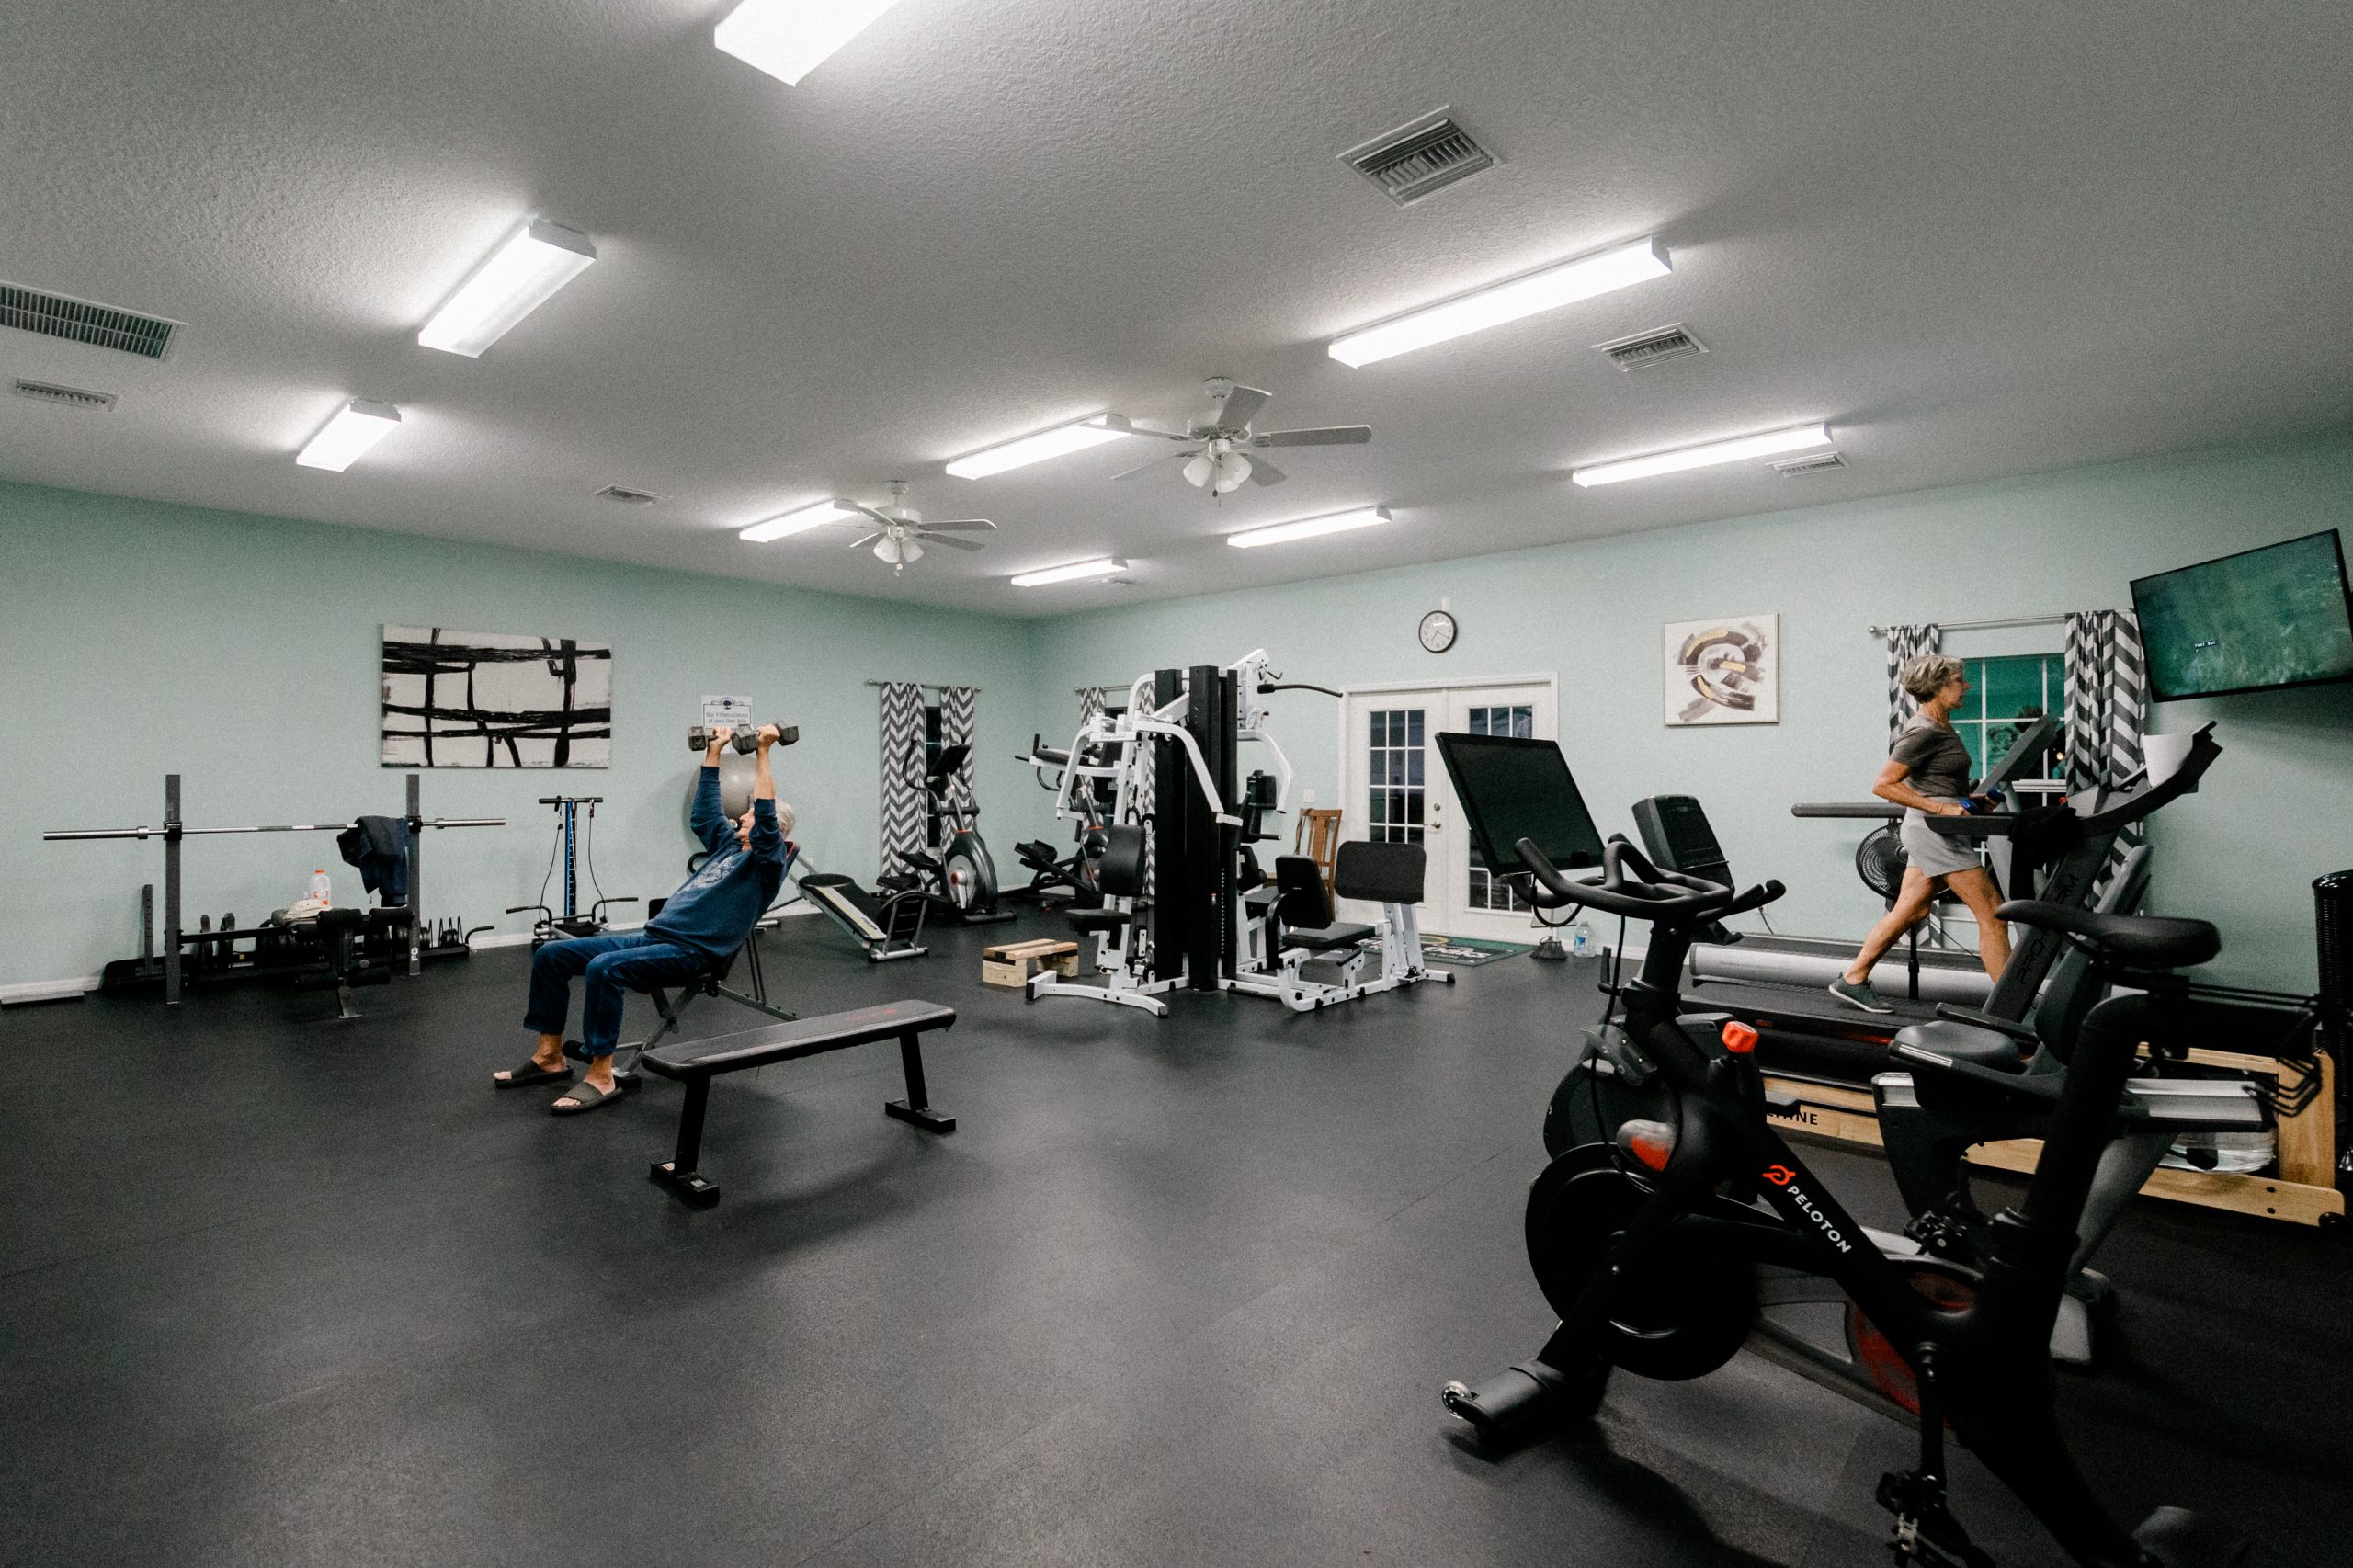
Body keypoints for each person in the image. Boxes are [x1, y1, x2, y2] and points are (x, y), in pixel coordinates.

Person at [493, 724, 795, 1111]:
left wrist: (764, 751)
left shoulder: (767, 865)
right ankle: (549, 1056)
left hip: (692, 952)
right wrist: (714, 752)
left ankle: (601, 1076)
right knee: (551, 955)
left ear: (776, 830)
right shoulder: (728, 848)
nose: (742, 818)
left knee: (605, 968)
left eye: (750, 814)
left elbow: (766, 820)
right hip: (655, 938)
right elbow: (705, 814)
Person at [1828, 654, 2010, 1014]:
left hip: (1938, 828)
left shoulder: (1943, 726)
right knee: (1994, 914)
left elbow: (1935, 784)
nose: (1966, 685)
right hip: (1935, 832)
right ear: (1938, 685)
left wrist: (1968, 800)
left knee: (1911, 910)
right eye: (1959, 680)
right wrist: (1942, 809)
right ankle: (2011, 1008)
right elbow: (1884, 785)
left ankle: (1852, 978)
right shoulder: (1922, 730)